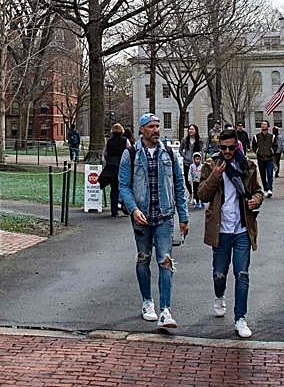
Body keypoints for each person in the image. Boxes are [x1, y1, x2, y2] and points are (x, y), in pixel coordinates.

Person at [119, 113, 189, 329]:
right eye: (151, 126)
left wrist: (183, 216)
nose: (156, 130)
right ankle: (147, 302)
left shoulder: (168, 153)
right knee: (143, 259)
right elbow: (123, 185)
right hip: (142, 217)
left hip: (164, 216)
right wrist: (133, 209)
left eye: (158, 126)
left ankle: (165, 310)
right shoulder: (130, 154)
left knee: (165, 261)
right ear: (142, 130)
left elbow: (179, 183)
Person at [197, 128, 265, 339]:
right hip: (221, 230)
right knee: (220, 273)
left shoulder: (247, 166)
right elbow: (202, 194)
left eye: (231, 147)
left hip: (242, 228)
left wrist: (256, 200)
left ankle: (240, 318)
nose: (227, 151)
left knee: (242, 274)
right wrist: (215, 176)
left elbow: (258, 191)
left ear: (237, 146)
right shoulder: (211, 165)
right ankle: (219, 295)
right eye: (223, 148)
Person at [98, 123, 128, 217]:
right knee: (124, 188)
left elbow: (105, 153)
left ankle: (113, 210)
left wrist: (109, 161)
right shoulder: (125, 141)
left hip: (111, 167)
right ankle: (125, 207)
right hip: (122, 167)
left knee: (113, 189)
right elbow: (129, 152)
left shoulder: (109, 141)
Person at [252, 120, 276, 197]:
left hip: (269, 158)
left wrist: (272, 151)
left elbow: (275, 146)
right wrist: (257, 151)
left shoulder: (272, 137)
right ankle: (265, 189)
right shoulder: (256, 137)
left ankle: (270, 189)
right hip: (260, 158)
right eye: (262, 124)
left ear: (268, 126)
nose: (263, 125)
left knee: (269, 174)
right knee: (263, 175)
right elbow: (253, 146)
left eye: (265, 124)